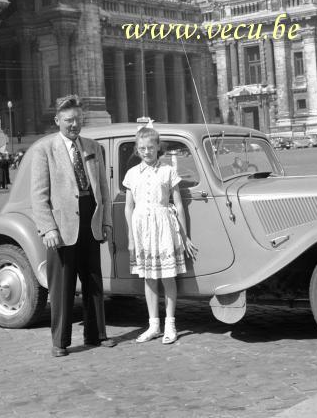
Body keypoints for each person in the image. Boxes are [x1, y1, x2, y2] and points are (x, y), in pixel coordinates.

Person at [30, 94, 116, 357]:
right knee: (62, 288)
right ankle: (60, 342)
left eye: (78, 119)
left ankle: (96, 334)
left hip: (90, 222)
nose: (74, 124)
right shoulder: (44, 150)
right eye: (68, 120)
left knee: (93, 282)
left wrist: (106, 222)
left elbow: (103, 187)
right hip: (62, 227)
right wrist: (49, 229)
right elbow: (38, 195)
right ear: (57, 120)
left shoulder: (92, 147)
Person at [123, 126, 198, 345]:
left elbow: (178, 204)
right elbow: (128, 207)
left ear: (158, 147)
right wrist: (131, 238)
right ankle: (153, 324)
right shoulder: (132, 174)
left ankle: (170, 324)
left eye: (150, 147)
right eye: (142, 148)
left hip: (163, 226)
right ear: (138, 150)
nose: (146, 152)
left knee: (167, 277)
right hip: (142, 229)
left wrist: (185, 236)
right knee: (149, 277)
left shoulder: (167, 171)